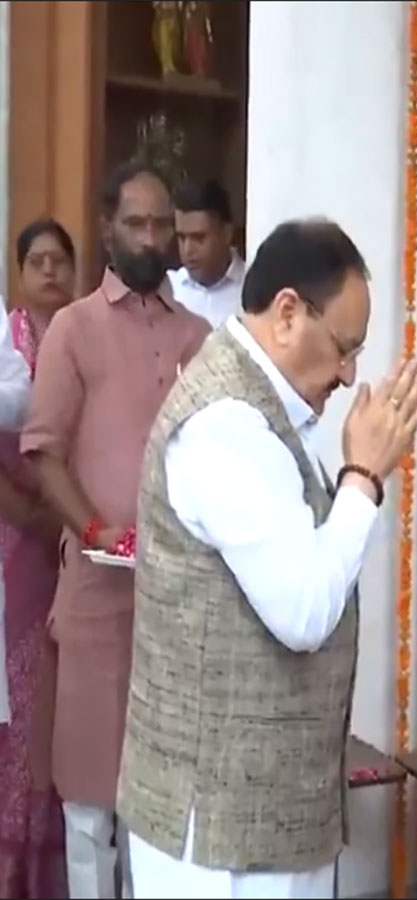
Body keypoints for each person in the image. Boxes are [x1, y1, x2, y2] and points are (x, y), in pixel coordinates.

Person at [118, 218, 417, 898]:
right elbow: (302, 611)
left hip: (262, 817)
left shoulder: (261, 410)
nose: (350, 374)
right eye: (345, 348)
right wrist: (363, 479)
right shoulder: (226, 423)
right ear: (287, 313)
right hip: (221, 833)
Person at [20, 162, 211, 900]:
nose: (152, 236)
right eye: (137, 223)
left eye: (162, 224)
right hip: (98, 599)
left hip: (175, 602)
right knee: (91, 806)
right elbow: (44, 451)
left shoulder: (199, 335)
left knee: (158, 809)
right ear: (108, 229)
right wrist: (97, 531)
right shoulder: (74, 328)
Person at [0, 218, 75, 897]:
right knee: (20, 698)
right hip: (17, 540)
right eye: (38, 261)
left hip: (78, 542)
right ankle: (12, 865)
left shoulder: (81, 339)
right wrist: (29, 509)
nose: (50, 272)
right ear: (20, 273)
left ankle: (53, 868)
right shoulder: (8, 343)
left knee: (60, 700)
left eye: (61, 261)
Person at [167, 179, 245, 327]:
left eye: (199, 238)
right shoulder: (168, 289)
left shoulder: (253, 290)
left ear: (227, 234)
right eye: (182, 238)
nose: (188, 249)